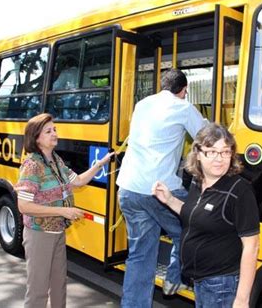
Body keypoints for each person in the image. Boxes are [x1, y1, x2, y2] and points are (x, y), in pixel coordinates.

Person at [116, 68, 207, 307]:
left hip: (128, 188)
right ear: (184, 90)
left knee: (140, 255)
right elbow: (207, 136)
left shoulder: (142, 104)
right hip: (158, 190)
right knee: (193, 227)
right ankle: (175, 277)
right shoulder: (183, 107)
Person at [152, 123, 260, 308]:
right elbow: (194, 214)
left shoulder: (239, 190)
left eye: (225, 152)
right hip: (200, 282)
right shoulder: (198, 181)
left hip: (221, 286)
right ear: (198, 154)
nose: (219, 159)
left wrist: (242, 299)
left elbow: (252, 246)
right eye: (211, 151)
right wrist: (169, 199)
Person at [14, 113, 113, 308]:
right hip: (39, 235)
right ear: (36, 138)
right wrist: (63, 212)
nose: (54, 134)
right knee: (38, 291)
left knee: (59, 286)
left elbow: (78, 181)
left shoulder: (56, 161)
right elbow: (23, 206)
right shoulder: (32, 165)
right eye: (48, 131)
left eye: (55, 129)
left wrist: (100, 164)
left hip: (58, 232)